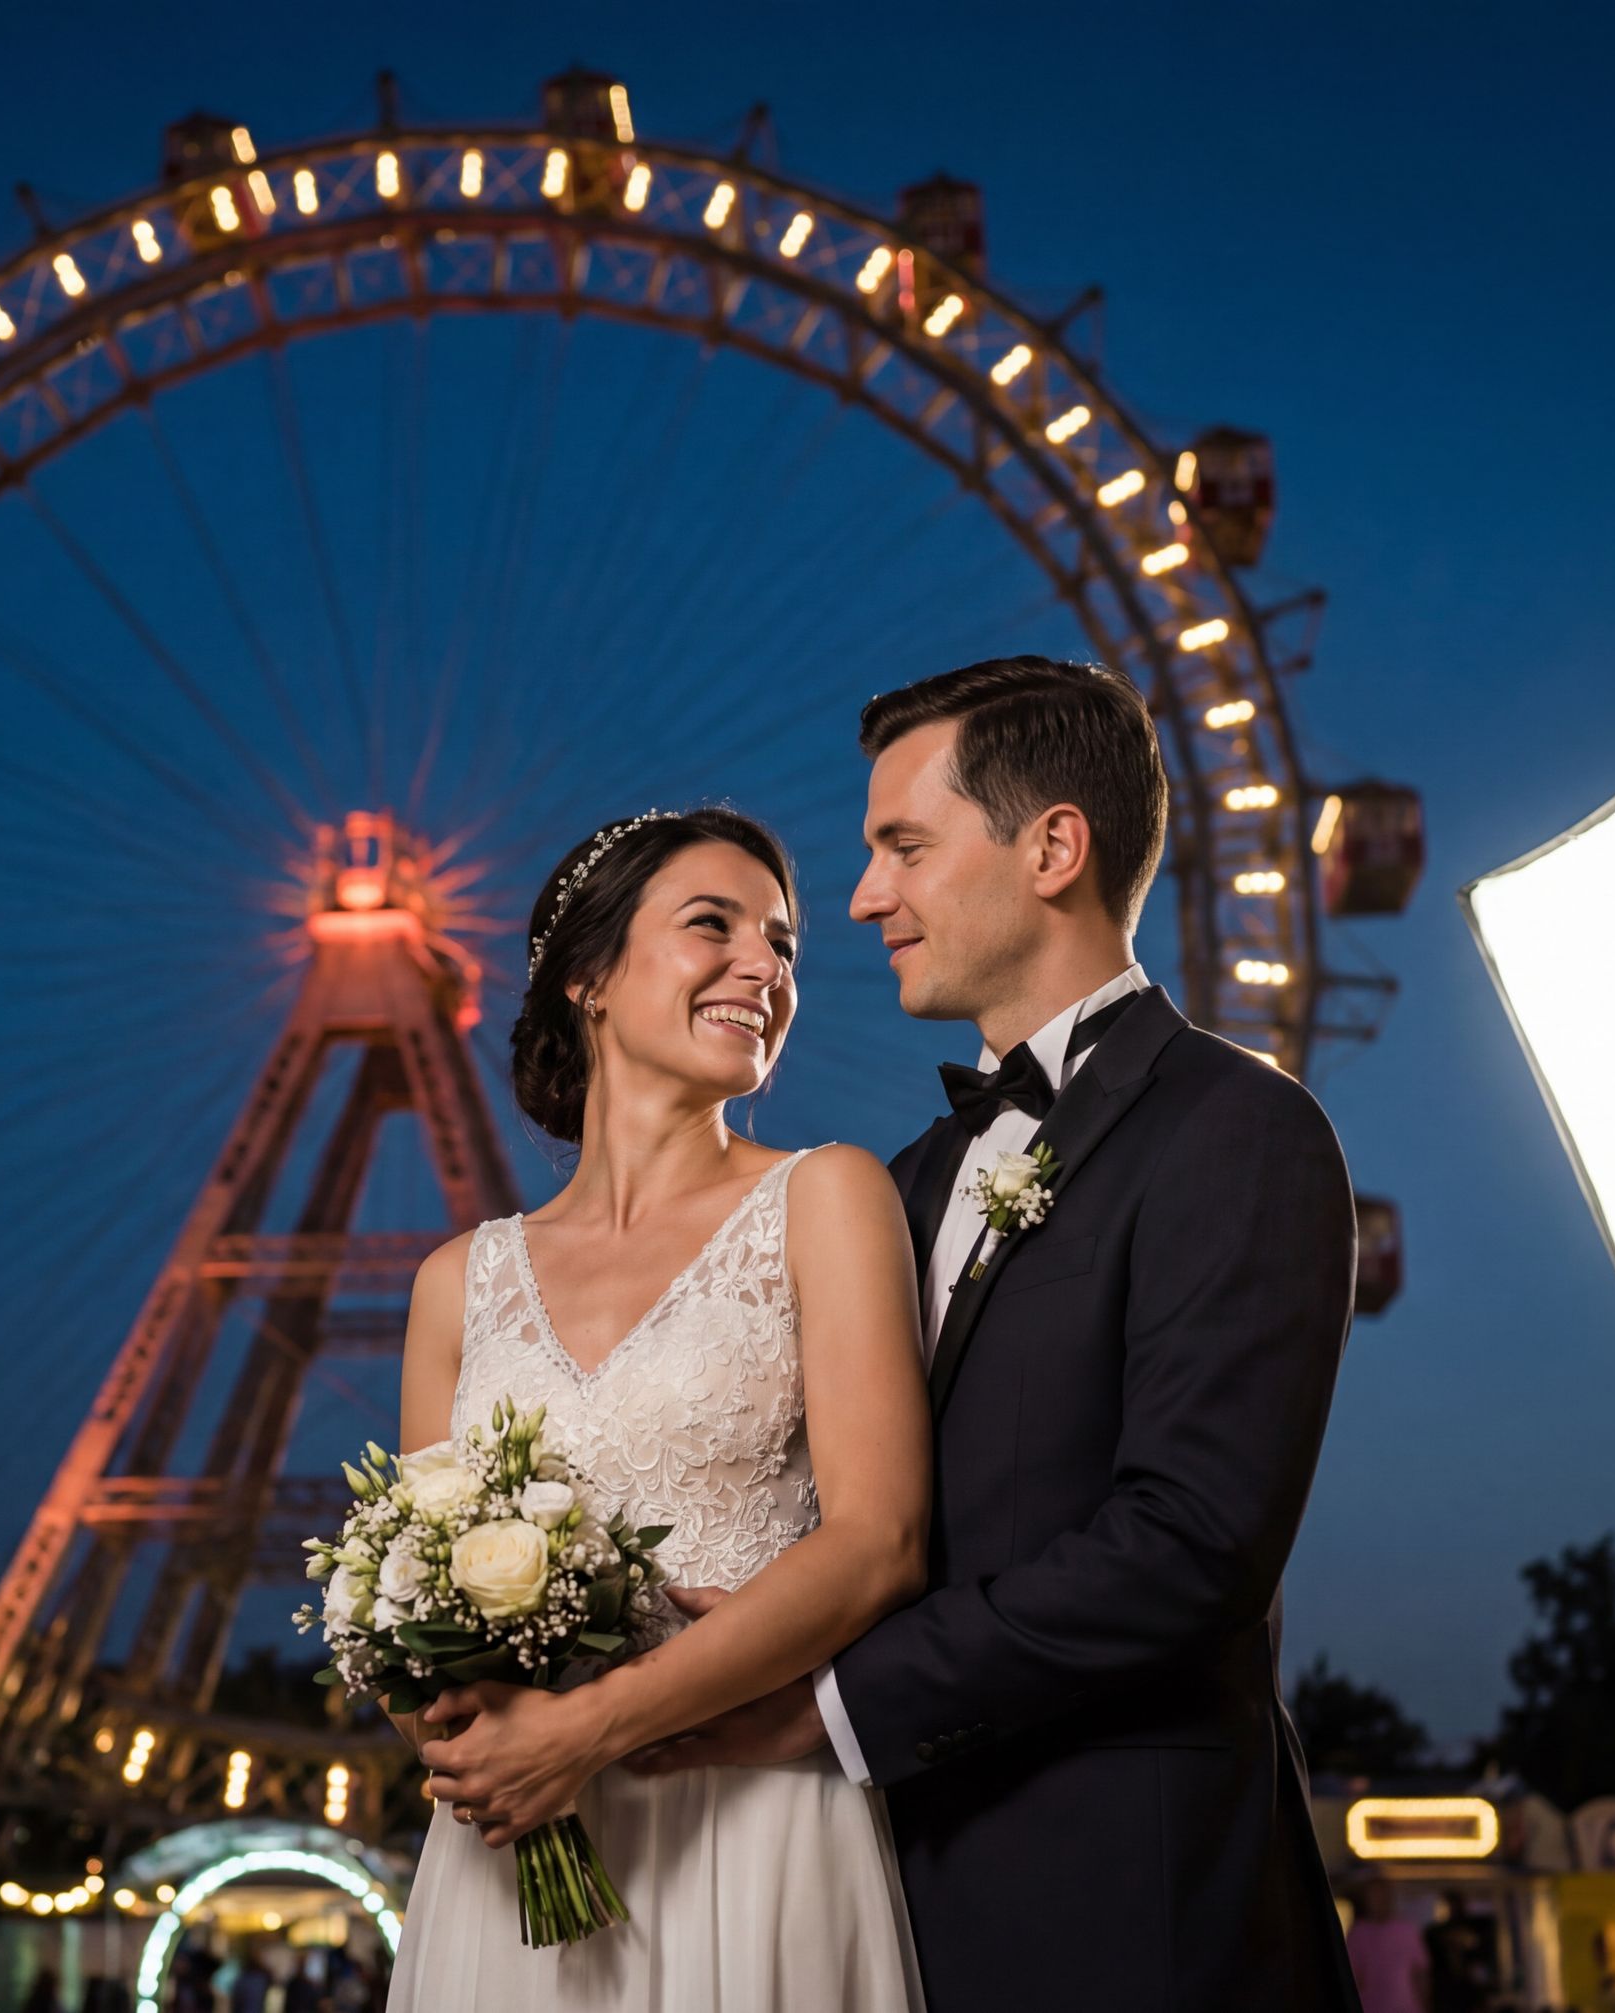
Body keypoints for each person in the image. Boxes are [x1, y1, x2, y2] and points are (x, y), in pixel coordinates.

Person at [426, 658, 1363, 2009]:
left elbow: (1191, 1544)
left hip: (1122, 1903)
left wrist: (819, 1705)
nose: (866, 898)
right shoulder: (899, 1184)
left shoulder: (1241, 1130)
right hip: (883, 1882)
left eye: (903, 848)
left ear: (1053, 848)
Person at [394, 805, 931, 2010]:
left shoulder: (828, 1198)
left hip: (751, 1829)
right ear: (587, 976)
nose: (764, 968)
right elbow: (410, 1602)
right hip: (512, 1860)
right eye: (713, 926)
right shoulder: (455, 1283)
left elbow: (883, 1541)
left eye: (782, 944)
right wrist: (462, 1736)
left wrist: (589, 1727)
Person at [1346, 1877, 1429, 2013]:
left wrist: (1425, 2005)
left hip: (1405, 2008)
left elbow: (1420, 1973)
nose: (1379, 1901)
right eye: (1374, 1896)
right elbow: (1353, 1976)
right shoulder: (1357, 1933)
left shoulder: (1407, 1930)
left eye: (1382, 1896)